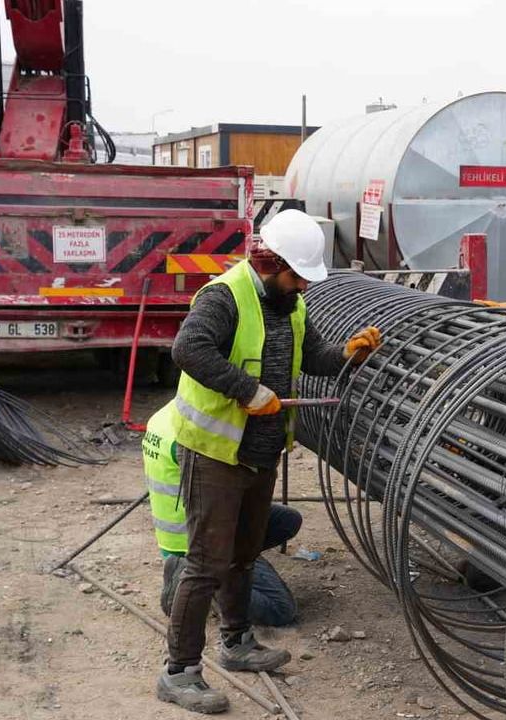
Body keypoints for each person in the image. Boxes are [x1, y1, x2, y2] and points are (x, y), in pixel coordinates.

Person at [154, 209, 381, 714]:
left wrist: (350, 354)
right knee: (206, 563)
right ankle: (179, 672)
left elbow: (315, 356)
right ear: (269, 262)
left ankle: (237, 644)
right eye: (296, 274)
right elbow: (187, 349)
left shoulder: (289, 302)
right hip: (217, 452)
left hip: (260, 452)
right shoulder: (224, 298)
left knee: (243, 555)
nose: (302, 284)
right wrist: (248, 390)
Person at [143, 404, 302, 628]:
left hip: (182, 527)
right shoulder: (199, 437)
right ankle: (205, 584)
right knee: (280, 609)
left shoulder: (165, 415)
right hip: (200, 540)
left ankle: (197, 571)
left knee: (287, 521)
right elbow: (226, 501)